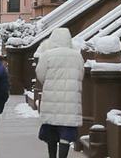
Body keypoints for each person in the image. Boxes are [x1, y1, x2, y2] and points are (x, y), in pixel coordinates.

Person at [36, 27, 85, 158]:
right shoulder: (77, 56)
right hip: (71, 99)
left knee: (51, 130)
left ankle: (52, 155)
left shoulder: (47, 55)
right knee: (67, 131)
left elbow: (40, 74)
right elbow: (81, 75)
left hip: (51, 98)